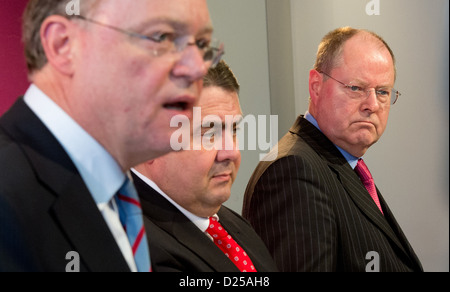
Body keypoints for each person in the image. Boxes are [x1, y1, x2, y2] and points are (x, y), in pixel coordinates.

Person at [0, 0, 223, 272]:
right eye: (161, 37)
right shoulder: (9, 199)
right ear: (63, 45)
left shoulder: (115, 197)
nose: (197, 69)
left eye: (201, 45)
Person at [242, 27, 423, 272]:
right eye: (356, 88)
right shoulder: (293, 172)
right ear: (316, 86)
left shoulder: (344, 164)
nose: (372, 105)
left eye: (382, 92)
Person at [132, 60, 278, 272]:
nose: (232, 152)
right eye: (209, 133)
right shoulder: (133, 247)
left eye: (234, 130)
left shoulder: (233, 224)